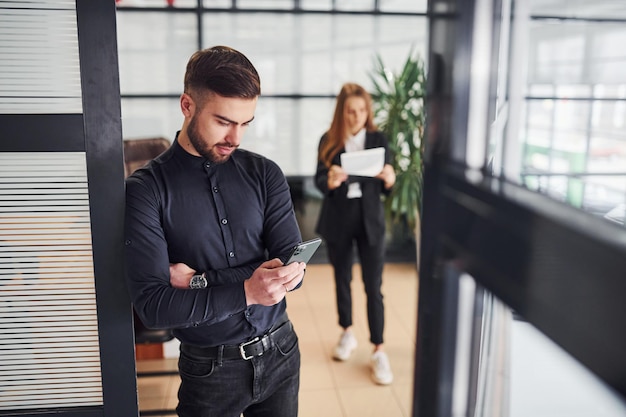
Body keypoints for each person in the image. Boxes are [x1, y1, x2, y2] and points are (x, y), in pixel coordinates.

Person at [124, 45, 307, 417]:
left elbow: (291, 271)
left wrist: (201, 280)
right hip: (210, 371)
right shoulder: (146, 189)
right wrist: (249, 287)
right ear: (187, 105)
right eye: (223, 121)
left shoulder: (265, 174)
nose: (235, 137)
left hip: (283, 352)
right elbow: (155, 307)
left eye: (245, 123)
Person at [314, 82, 396, 385]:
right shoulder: (329, 140)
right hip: (339, 220)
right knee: (342, 280)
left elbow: (389, 186)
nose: (356, 116)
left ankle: (378, 348)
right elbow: (319, 181)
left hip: (370, 220)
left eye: (361, 110)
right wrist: (331, 180)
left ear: (367, 111)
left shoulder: (378, 138)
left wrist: (390, 178)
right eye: (350, 111)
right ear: (342, 112)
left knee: (374, 286)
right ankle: (347, 332)